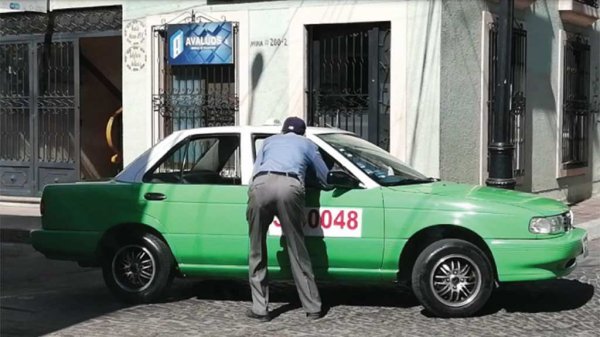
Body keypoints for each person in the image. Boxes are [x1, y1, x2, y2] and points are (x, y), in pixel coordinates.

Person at [246, 116, 330, 322]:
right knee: (296, 247)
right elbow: (324, 177)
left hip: (261, 184)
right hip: (289, 187)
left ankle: (260, 309)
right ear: (303, 132)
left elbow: (255, 170)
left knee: (256, 248)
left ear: (283, 131)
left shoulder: (268, 141)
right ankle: (313, 307)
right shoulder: (308, 144)